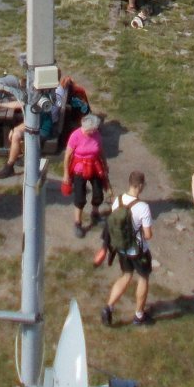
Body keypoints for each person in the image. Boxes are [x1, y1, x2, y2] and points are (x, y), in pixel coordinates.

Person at [99, 169, 155, 327]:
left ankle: (109, 307)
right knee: (143, 278)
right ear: (140, 186)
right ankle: (139, 315)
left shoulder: (118, 200)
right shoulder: (143, 207)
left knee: (126, 276)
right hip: (139, 250)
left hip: (122, 248)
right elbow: (148, 234)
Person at [65, 112, 109, 235]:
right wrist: (66, 174)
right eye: (92, 130)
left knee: (98, 193)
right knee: (80, 197)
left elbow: (100, 151)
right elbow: (67, 156)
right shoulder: (75, 136)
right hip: (79, 169)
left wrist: (105, 165)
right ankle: (77, 223)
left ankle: (95, 214)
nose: (94, 131)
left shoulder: (96, 135)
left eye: (95, 129)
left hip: (95, 166)